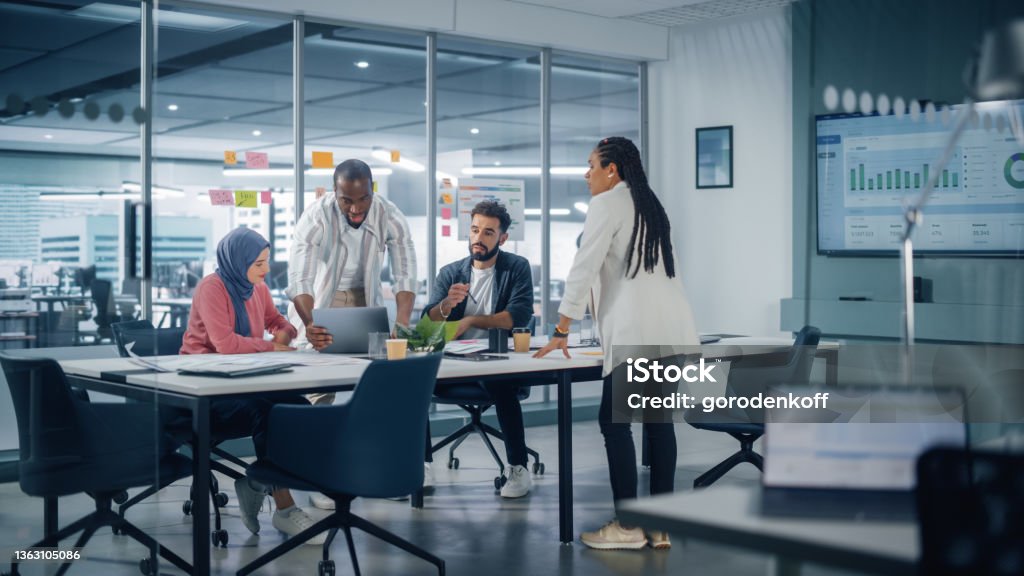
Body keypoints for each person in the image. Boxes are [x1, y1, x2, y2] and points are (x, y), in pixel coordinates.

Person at [535, 136, 699, 550]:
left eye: (591, 165)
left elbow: (583, 267)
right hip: (672, 330)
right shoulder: (651, 205)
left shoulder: (606, 204)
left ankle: (627, 526)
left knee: (615, 424)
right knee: (659, 427)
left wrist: (561, 330)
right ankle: (659, 526)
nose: (585, 173)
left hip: (636, 335)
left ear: (613, 170)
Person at [286, 158, 420, 508]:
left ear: (372, 190)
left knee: (380, 384)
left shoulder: (388, 213)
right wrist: (310, 322)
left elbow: (405, 270)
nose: (356, 207)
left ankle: (382, 472)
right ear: (335, 193)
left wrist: (402, 321)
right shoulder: (315, 216)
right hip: (320, 302)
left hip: (367, 300)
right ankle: (320, 476)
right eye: (347, 200)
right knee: (320, 389)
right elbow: (299, 278)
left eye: (363, 199)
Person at [180, 227, 326, 545]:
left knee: (297, 406)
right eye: (259, 263)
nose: (266, 270)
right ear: (238, 261)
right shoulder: (212, 288)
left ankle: (258, 481)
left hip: (246, 381)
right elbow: (226, 345)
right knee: (267, 412)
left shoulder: (256, 288)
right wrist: (273, 348)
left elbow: (277, 321)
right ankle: (285, 508)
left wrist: (285, 332)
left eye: (266, 262)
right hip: (204, 392)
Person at [423, 200, 535, 498]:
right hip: (455, 364)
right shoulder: (451, 273)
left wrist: (472, 319)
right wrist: (447, 305)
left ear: (502, 238)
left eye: (488, 232)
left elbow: (518, 316)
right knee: (415, 379)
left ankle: (518, 468)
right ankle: (421, 465)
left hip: (496, 361)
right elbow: (427, 319)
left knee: (499, 381)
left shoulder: (516, 268)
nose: (478, 238)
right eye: (474, 230)